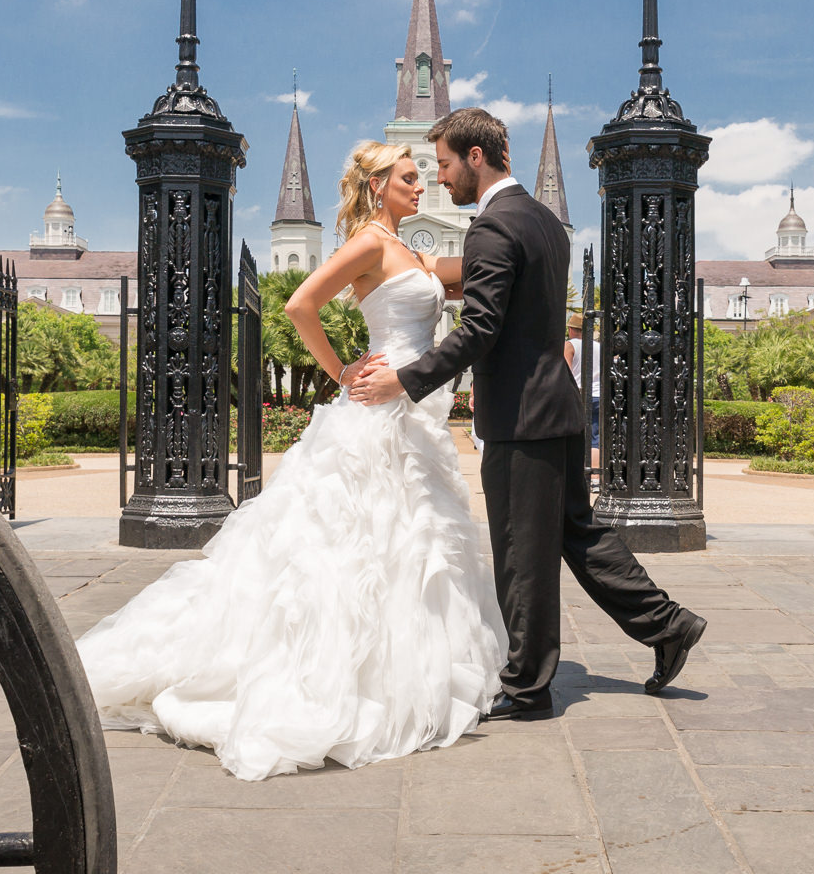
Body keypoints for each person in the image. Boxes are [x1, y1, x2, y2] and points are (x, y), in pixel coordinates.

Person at [76, 142, 507, 780]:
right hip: (376, 412)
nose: (422, 188)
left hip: (415, 419)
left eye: (423, 178)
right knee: (354, 543)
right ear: (379, 184)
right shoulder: (368, 243)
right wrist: (341, 371)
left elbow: (474, 274)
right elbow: (300, 304)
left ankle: (410, 666)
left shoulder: (410, 248)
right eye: (410, 179)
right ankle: (339, 676)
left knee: (413, 543)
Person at [352, 108, 706, 721]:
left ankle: (527, 685)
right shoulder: (544, 222)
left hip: (520, 414)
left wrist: (405, 380)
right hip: (558, 404)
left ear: (475, 157)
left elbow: (482, 329)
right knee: (576, 531)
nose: (440, 178)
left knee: (522, 551)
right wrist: (435, 274)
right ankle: (668, 625)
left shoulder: (491, 227)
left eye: (443, 163)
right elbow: (510, 301)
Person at [564, 311, 600, 465]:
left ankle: (578, 472)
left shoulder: (569, 345)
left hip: (578, 394)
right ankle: (595, 477)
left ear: (571, 329)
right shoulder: (599, 346)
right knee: (595, 439)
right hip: (598, 394)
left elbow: (566, 371)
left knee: (574, 436)